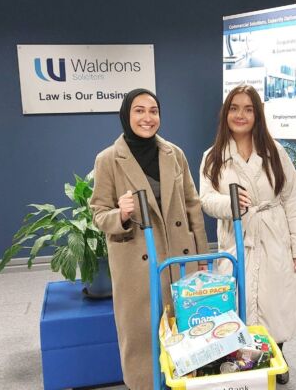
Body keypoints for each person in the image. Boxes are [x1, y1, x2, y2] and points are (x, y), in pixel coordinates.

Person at [90, 88, 208, 390]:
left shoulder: (174, 154)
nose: (148, 117)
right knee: (142, 335)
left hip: (180, 259)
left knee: (187, 327)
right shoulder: (108, 159)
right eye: (139, 110)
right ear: (126, 115)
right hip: (136, 263)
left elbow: (192, 205)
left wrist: (202, 257)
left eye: (153, 111)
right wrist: (121, 214)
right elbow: (98, 214)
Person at [199, 84, 296, 385]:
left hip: (274, 236)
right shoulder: (212, 157)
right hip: (237, 239)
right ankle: (246, 362)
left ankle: (277, 356)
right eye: (235, 108)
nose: (241, 115)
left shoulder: (276, 152)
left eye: (248, 109)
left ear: (257, 115)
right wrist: (230, 204)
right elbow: (206, 200)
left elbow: (293, 198)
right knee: (240, 302)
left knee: (276, 303)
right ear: (226, 114)